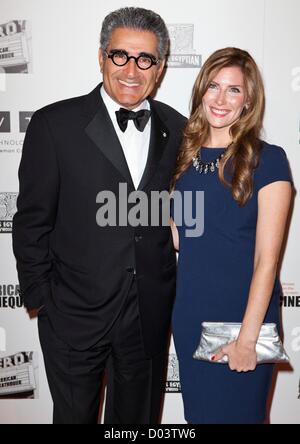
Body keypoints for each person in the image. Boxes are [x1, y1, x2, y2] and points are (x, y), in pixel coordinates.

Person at [13, 7, 186, 424]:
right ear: (101, 57)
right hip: (73, 315)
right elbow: (31, 221)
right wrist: (43, 302)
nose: (132, 70)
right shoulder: (55, 124)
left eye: (145, 59)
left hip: (146, 317)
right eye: (120, 55)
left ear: (159, 67)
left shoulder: (178, 128)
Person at [170, 47, 293, 424]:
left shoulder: (268, 159)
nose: (221, 99)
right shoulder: (181, 158)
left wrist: (247, 339)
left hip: (243, 319)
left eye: (234, 90)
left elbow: (266, 260)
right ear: (200, 91)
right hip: (191, 314)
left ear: (249, 99)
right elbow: (182, 237)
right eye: (213, 86)